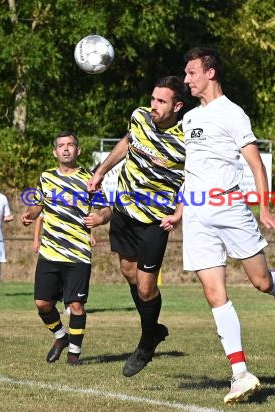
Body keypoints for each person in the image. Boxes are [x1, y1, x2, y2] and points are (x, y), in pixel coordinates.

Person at [181, 47, 275, 404]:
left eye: (192, 73)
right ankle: (240, 374)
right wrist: (180, 210)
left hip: (230, 208)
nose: (187, 80)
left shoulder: (232, 113)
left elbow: (256, 165)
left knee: (260, 282)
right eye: (185, 75)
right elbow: (191, 170)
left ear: (210, 73)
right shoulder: (188, 120)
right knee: (214, 293)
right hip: (198, 215)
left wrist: (264, 208)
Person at [87, 76, 187, 377]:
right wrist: (102, 170)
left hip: (156, 220)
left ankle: (146, 342)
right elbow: (128, 142)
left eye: (161, 101)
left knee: (146, 288)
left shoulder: (188, 140)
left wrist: (181, 211)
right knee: (127, 272)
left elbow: (195, 177)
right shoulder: (140, 117)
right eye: (153, 98)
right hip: (124, 209)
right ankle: (153, 330)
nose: (153, 106)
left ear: (177, 106)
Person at [21, 131, 111, 366]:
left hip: (78, 253)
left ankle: (74, 355)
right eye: (61, 145)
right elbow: (37, 205)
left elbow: (106, 210)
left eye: (71, 145)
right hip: (50, 252)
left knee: (76, 305)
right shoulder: (46, 177)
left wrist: (99, 219)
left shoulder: (90, 179)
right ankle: (60, 337)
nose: (66, 149)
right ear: (55, 152)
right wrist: (29, 215)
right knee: (42, 304)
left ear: (78, 150)